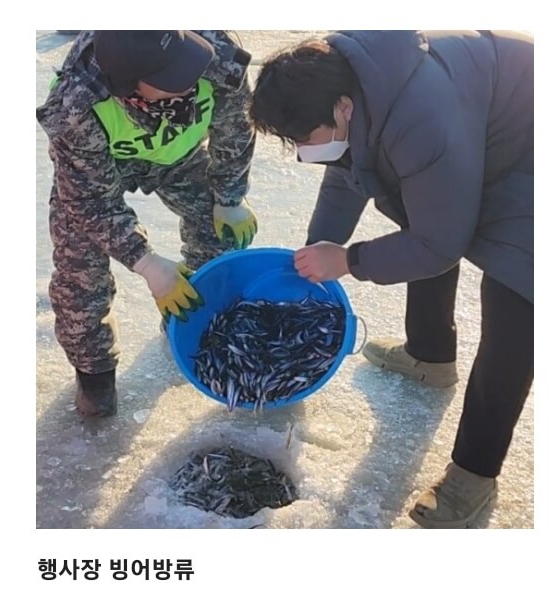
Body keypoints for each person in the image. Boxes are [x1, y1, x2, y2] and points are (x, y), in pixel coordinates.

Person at [249, 30, 533, 528]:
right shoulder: (353, 92)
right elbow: (347, 175)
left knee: (515, 299)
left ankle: (474, 475)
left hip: (533, 149)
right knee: (420, 209)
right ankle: (430, 355)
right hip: (481, 130)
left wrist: (348, 260)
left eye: (303, 138)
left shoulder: (422, 118)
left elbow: (438, 245)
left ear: (343, 109)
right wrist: (319, 250)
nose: (301, 151)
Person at [37, 30, 258, 417]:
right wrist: (147, 263)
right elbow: (90, 202)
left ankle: (192, 324)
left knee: (219, 233)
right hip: (100, 171)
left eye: (186, 62)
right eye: (171, 77)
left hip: (178, 157)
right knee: (79, 270)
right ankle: (94, 371)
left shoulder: (213, 55)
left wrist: (229, 197)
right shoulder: (75, 106)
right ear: (128, 87)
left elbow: (236, 128)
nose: (190, 77)